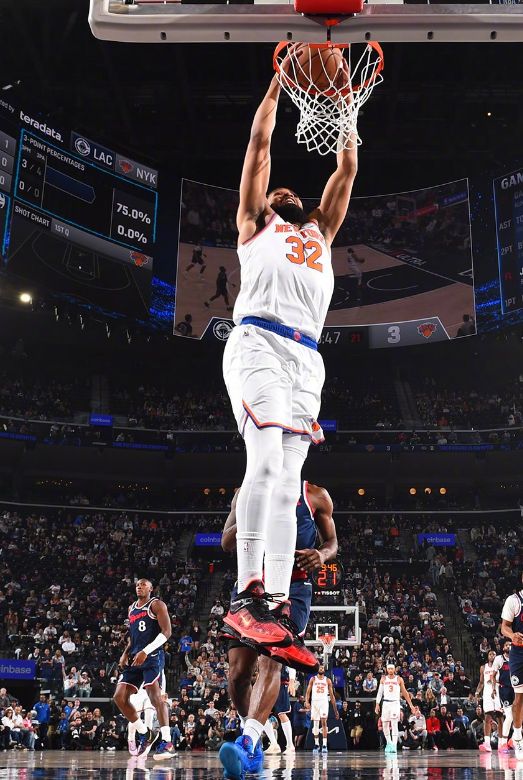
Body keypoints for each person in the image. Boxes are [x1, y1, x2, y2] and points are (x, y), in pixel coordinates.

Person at [221, 71, 357, 667]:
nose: (284, 190)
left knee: (288, 482)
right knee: (267, 462)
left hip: (307, 358)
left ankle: (274, 607)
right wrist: (279, 81)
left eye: (290, 191)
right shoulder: (256, 224)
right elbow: (259, 146)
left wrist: (347, 105)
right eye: (277, 189)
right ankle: (247, 590)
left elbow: (346, 168)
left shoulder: (320, 232)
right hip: (259, 343)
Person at [220, 481, 337, 775]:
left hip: (292, 587)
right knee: (238, 674)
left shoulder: (315, 495)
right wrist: (251, 514)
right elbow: (226, 542)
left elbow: (332, 543)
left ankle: (247, 742)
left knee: (272, 660)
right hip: (251, 584)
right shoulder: (245, 492)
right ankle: (253, 737)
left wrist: (322, 555)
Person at [112, 578, 175, 761]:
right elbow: (133, 636)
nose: (139, 587)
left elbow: (167, 632)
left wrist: (146, 651)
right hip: (135, 656)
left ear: (151, 588)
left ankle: (167, 743)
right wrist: (125, 653)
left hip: (152, 656)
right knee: (119, 697)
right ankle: (145, 732)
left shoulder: (157, 605)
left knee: (155, 697)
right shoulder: (132, 608)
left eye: (143, 585)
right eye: (137, 585)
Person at [501, 575, 523, 759]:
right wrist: (512, 635)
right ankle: (517, 737)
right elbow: (504, 627)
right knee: (519, 698)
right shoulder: (514, 600)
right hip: (519, 653)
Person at [375, 662, 416, 753]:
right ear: (386, 669)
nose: (390, 670)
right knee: (385, 724)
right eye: (389, 669)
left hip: (395, 703)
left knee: (394, 724)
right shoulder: (383, 679)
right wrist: (377, 704)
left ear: (394, 669)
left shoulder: (399, 679)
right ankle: (389, 743)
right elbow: (380, 692)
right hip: (386, 703)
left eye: (392, 669)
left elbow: (405, 692)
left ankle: (394, 744)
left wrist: (411, 705)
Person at [305, 664, 340, 754]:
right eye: (320, 667)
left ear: (324, 670)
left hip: (324, 702)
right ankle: (317, 744)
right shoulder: (313, 679)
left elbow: (332, 696)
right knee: (315, 725)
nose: (321, 668)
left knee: (324, 722)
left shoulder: (327, 680)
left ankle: (324, 745)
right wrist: (307, 701)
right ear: (317, 669)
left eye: (322, 668)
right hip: (314, 702)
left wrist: (335, 710)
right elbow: (308, 692)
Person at [476, 649, 502, 753]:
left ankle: (501, 744)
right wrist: (477, 692)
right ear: (488, 656)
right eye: (490, 654)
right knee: (487, 717)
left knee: (500, 717)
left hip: (498, 692)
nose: (492, 656)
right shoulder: (483, 667)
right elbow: (481, 682)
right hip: (487, 694)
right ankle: (487, 743)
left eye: (494, 654)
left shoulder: (500, 666)